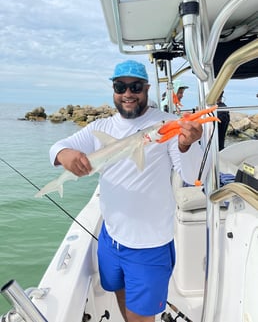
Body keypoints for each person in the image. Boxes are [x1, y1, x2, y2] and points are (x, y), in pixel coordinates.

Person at [49, 60, 208, 322]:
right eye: (120, 86)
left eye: (135, 87)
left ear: (146, 89)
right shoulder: (101, 128)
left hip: (149, 246)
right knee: (118, 292)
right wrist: (64, 155)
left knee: (141, 317)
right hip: (110, 239)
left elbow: (192, 176)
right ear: (113, 90)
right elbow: (56, 148)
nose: (128, 94)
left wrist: (186, 145)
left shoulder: (167, 124)